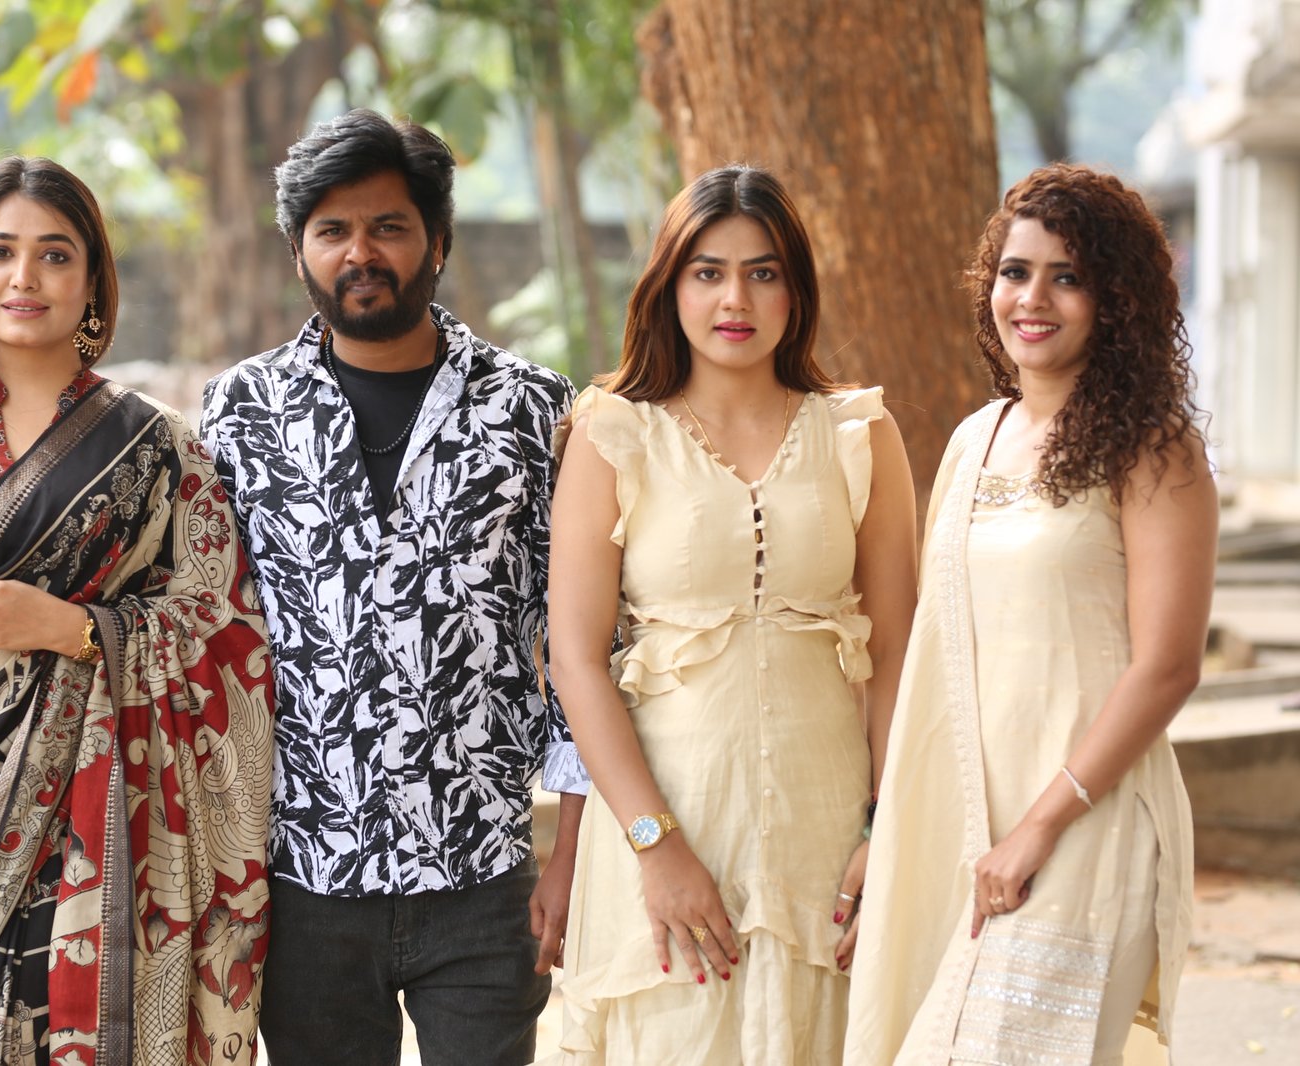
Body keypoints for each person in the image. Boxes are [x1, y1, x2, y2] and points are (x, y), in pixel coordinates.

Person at [0, 156, 274, 1066]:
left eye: (55, 254)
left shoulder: (156, 446)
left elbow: (226, 634)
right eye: (0, 252)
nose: (23, 277)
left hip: (92, 834)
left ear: (93, 281)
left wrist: (73, 631)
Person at [199, 108, 588, 1066]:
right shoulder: (241, 411)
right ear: (299, 252)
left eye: (388, 227)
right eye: (332, 230)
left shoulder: (534, 410)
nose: (360, 253)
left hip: (484, 876)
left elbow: (587, 643)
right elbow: (207, 631)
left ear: (438, 241)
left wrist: (571, 854)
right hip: (304, 883)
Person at [544, 165, 918, 1064]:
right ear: (670, 286)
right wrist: (655, 848)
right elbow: (576, 661)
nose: (735, 299)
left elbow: (901, 652)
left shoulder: (860, 433)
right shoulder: (614, 432)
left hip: (828, 841)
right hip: (670, 829)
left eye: (763, 272)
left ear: (797, 288)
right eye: (708, 272)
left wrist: (886, 830)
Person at [845, 164, 1216, 1066]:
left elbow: (1168, 666)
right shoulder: (975, 439)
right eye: (1016, 272)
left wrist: (1041, 826)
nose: (1033, 299)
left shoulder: (1153, 449)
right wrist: (884, 833)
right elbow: (936, 658)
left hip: (1086, 827)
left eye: (1068, 276)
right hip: (962, 830)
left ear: (1116, 299)